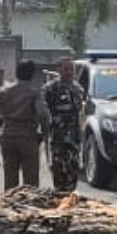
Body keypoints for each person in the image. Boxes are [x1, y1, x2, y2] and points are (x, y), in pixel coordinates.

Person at [0, 58, 50, 191]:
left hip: (8, 135)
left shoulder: (5, 90)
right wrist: (44, 133)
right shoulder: (34, 93)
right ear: (32, 74)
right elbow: (43, 115)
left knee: (10, 180)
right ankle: (29, 203)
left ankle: (9, 202)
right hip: (28, 137)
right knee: (31, 183)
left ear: (17, 72)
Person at [42, 57, 86, 192]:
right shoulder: (50, 89)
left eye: (72, 69)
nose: (69, 72)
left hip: (74, 140)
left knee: (73, 173)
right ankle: (59, 198)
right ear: (59, 70)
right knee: (59, 173)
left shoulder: (78, 89)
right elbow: (43, 113)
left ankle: (70, 199)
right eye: (66, 69)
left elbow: (81, 112)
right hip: (58, 139)